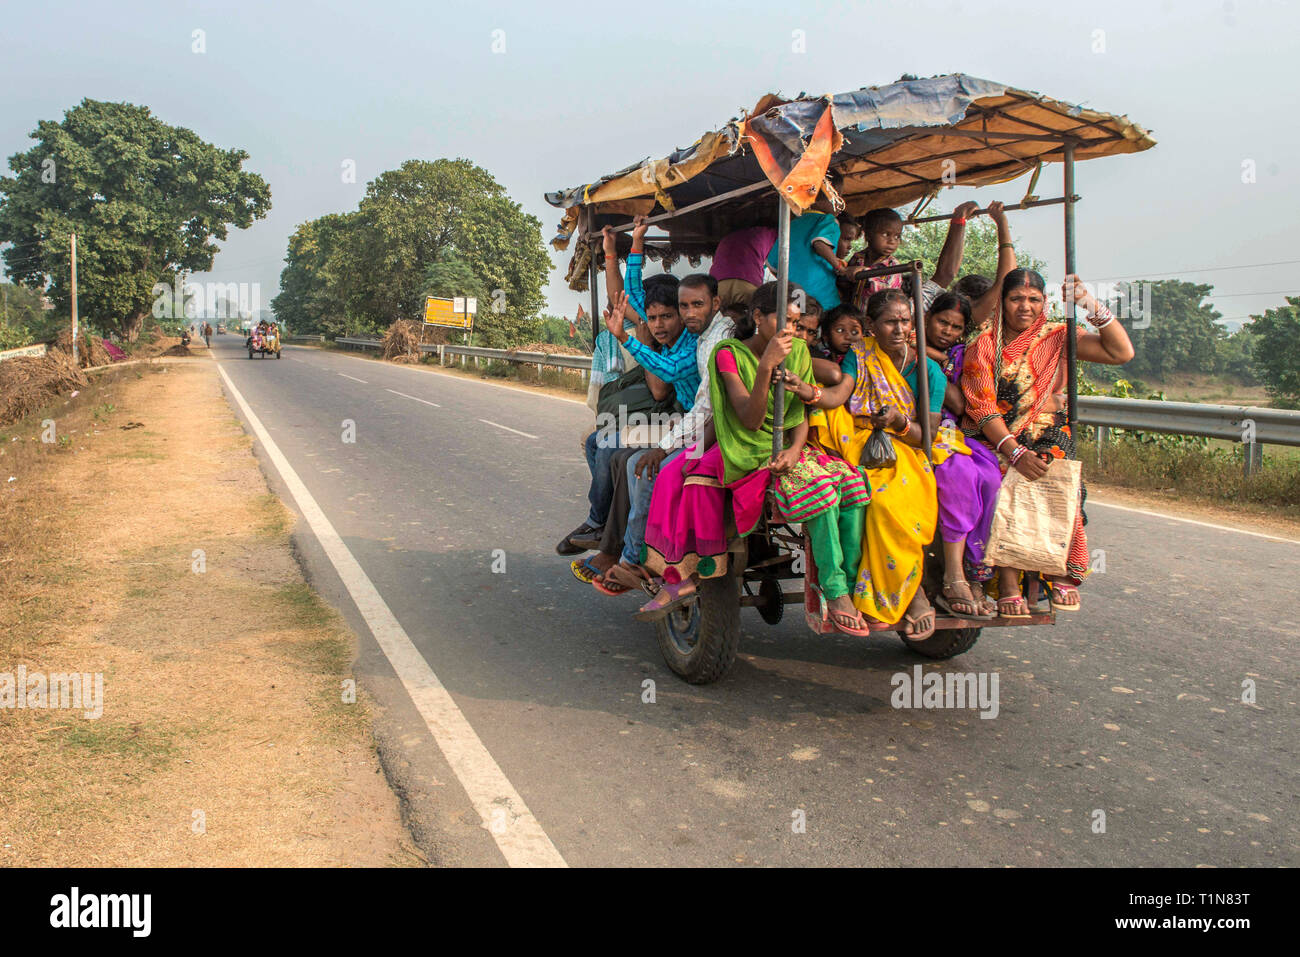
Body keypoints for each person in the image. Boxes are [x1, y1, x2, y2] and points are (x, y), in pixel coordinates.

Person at [640, 282, 871, 634]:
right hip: (745, 447)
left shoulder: (800, 354)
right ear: (759, 316)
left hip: (788, 447)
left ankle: (851, 583)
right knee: (821, 493)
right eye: (784, 321)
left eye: (796, 324)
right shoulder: (727, 354)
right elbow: (748, 418)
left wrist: (795, 451)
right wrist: (766, 367)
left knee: (857, 486)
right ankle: (835, 589)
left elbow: (799, 415)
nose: (790, 332)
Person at [961, 269, 1135, 615]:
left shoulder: (1057, 336)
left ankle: (1056, 571)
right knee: (1003, 481)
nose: (1024, 307)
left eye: (1033, 299)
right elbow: (982, 408)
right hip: (998, 435)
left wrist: (1087, 302)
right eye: (1016, 299)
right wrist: (1015, 451)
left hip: (1047, 430)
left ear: (1044, 302)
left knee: (1058, 478)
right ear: (1003, 302)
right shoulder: (982, 345)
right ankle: (1009, 581)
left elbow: (1120, 353)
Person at [809, 288, 954, 639]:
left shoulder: (929, 371)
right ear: (871, 325)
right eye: (890, 321)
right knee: (873, 497)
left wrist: (897, 423)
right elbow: (842, 393)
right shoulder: (859, 356)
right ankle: (900, 592)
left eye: (905, 320)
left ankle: (912, 589)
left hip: (907, 444)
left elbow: (925, 436)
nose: (900, 328)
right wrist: (810, 391)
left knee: (897, 501)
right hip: (862, 440)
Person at [592, 274, 736, 596]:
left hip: (710, 430)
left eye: (696, 305)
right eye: (684, 307)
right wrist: (635, 246)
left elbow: (701, 405)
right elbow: (633, 295)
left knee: (641, 466)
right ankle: (613, 538)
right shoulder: (704, 335)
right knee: (610, 448)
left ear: (716, 303)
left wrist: (664, 446)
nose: (689, 314)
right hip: (692, 422)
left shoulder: (716, 342)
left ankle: (635, 558)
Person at [921, 291, 1002, 619]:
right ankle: (954, 575)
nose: (947, 331)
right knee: (960, 476)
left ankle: (975, 571)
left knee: (991, 478)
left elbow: (960, 403)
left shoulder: (962, 355)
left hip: (955, 430)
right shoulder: (900, 342)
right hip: (917, 426)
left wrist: (936, 359)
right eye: (942, 322)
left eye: (955, 327)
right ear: (927, 318)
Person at [767, 197, 844, 312]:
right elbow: (820, 244)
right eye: (835, 197)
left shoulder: (791, 224)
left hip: (794, 297)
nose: (840, 204)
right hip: (820, 297)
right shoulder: (828, 220)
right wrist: (840, 267)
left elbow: (772, 265)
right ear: (818, 198)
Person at [710, 224, 776, 315]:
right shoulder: (774, 234)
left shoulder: (729, 236)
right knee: (759, 319)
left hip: (718, 285)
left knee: (721, 324)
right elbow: (776, 266)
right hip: (746, 283)